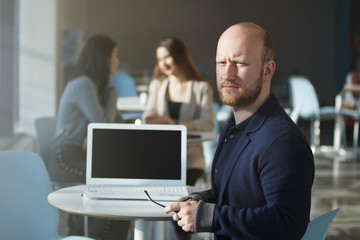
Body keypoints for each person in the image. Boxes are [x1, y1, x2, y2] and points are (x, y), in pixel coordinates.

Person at [164, 22, 315, 239]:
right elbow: (235, 198)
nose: (227, 73)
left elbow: (288, 223)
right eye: (221, 62)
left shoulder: (283, 142)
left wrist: (210, 216)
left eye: (239, 63)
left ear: (268, 70)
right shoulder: (234, 128)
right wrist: (201, 201)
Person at [49, 34, 129, 239]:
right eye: (115, 56)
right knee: (114, 186)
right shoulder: (84, 84)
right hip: (65, 157)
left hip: (80, 155)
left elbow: (114, 124)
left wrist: (91, 132)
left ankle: (86, 234)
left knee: (119, 182)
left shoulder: (94, 86)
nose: (117, 61)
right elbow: (104, 127)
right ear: (102, 58)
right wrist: (112, 95)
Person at [143, 37, 214, 186]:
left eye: (167, 57)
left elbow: (208, 124)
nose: (163, 63)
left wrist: (175, 123)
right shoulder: (157, 85)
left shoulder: (202, 87)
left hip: (190, 160)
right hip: (160, 157)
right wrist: (151, 120)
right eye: (159, 59)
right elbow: (146, 117)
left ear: (179, 56)